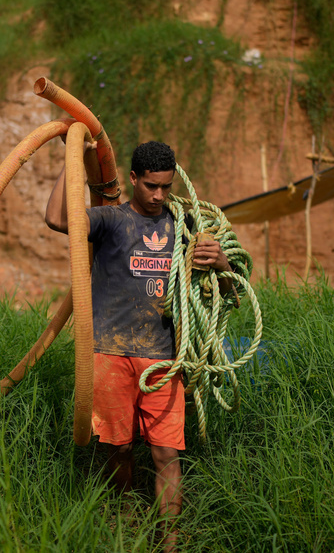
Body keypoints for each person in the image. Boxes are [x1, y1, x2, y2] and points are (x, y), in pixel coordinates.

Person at [45, 140, 229, 551]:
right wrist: (72, 157)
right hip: (110, 353)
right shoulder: (111, 220)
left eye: (166, 186)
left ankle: (171, 541)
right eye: (151, 186)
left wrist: (220, 263)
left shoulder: (184, 226)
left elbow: (228, 293)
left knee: (167, 454)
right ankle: (127, 515)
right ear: (133, 179)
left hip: (164, 358)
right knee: (119, 449)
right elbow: (57, 219)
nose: (159, 195)